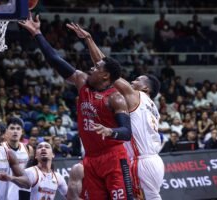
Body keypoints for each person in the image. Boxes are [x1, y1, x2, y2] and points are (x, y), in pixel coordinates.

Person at [19, 14, 133, 199]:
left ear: (105, 76)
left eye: (97, 68)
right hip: (90, 158)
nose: (91, 69)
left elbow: (127, 132)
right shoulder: (82, 82)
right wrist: (37, 33)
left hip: (113, 157)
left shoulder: (116, 99)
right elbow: (55, 60)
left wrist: (110, 131)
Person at [67, 23, 165, 200]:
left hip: (142, 161)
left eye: (137, 80)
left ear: (146, 89)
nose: (132, 82)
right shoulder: (152, 107)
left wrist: (89, 39)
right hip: (152, 159)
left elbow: (106, 68)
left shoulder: (135, 96)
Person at [1, 117, 34, 200]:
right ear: (6, 131)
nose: (15, 131)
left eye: (18, 128)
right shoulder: (0, 148)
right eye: (12, 128)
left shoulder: (28, 149)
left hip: (24, 190)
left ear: (21, 132)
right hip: (5, 190)